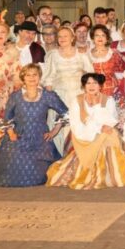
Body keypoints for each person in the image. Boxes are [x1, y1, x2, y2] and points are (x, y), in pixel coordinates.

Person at [46, 73, 125, 189]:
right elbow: (76, 122)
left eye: (95, 83)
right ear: (84, 86)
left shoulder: (108, 100)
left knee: (110, 136)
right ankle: (87, 170)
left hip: (104, 133)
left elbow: (110, 120)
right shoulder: (77, 100)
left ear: (100, 86)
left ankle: (107, 173)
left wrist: (98, 120)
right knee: (103, 135)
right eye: (88, 83)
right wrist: (96, 128)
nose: (91, 86)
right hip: (82, 133)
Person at [0, 64, 68, 187]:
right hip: (18, 136)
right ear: (23, 77)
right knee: (11, 172)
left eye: (35, 75)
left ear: (39, 77)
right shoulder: (15, 96)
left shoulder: (48, 95)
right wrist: (11, 134)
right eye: (28, 75)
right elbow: (7, 118)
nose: (31, 78)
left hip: (40, 139)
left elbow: (65, 113)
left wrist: (54, 131)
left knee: (41, 174)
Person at [42, 26, 94, 154]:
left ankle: (77, 156)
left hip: (79, 95)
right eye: (59, 36)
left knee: (77, 126)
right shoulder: (52, 55)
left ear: (72, 38)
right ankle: (61, 156)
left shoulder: (82, 54)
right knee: (59, 126)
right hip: (60, 95)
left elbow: (91, 74)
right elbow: (48, 77)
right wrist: (50, 99)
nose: (62, 39)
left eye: (66, 36)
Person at [89, 25, 125, 103]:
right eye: (97, 35)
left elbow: (120, 73)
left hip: (113, 89)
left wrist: (120, 89)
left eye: (103, 35)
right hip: (94, 90)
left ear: (106, 39)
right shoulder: (87, 54)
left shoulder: (113, 53)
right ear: (92, 38)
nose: (100, 38)